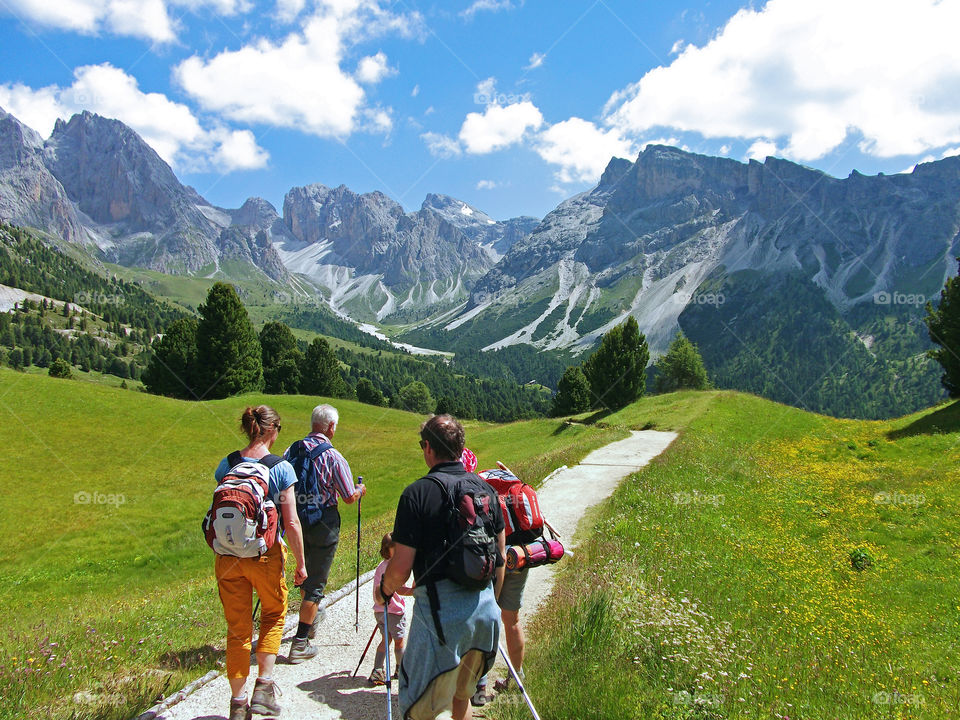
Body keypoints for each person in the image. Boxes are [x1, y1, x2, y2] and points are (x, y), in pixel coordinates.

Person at [376, 414, 506, 720]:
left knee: (419, 707)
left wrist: (384, 591)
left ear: (428, 448)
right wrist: (493, 603)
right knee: (463, 696)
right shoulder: (485, 490)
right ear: (460, 448)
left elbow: (401, 568)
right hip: (485, 615)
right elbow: (500, 557)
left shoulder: (416, 493)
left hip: (439, 619)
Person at [213, 405, 307, 720]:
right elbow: (291, 523)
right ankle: (264, 689)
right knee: (272, 615)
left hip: (226, 557)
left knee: (237, 630)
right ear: (271, 431)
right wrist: (300, 563)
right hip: (265, 555)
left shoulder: (227, 464)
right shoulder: (280, 468)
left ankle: (237, 705)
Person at [283, 403, 364, 663]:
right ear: (330, 427)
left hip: (294, 518)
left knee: (303, 570)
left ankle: (312, 615)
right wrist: (361, 490)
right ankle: (300, 643)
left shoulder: (292, 449)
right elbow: (348, 496)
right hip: (323, 522)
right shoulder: (333, 456)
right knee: (316, 581)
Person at [369, 532, 414, 686]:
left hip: (380, 611)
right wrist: (414, 591)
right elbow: (400, 590)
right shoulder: (392, 568)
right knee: (399, 641)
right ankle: (400, 670)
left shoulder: (380, 567)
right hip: (394, 611)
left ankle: (377, 669)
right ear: (390, 550)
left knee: (385, 639)